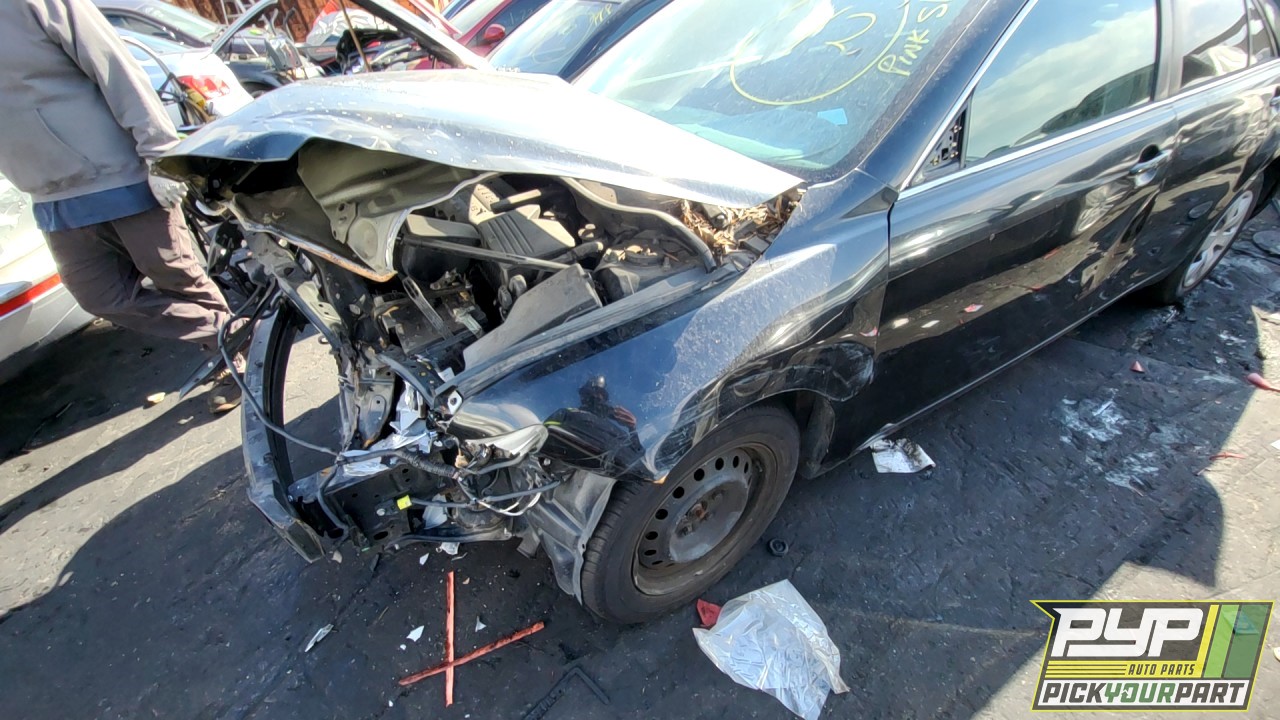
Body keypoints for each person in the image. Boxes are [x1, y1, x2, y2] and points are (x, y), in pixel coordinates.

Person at [0, 0, 241, 413]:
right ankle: (231, 332)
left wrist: (161, 154)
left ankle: (233, 364)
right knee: (100, 296)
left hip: (120, 175)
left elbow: (114, 68)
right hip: (49, 195)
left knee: (176, 277)